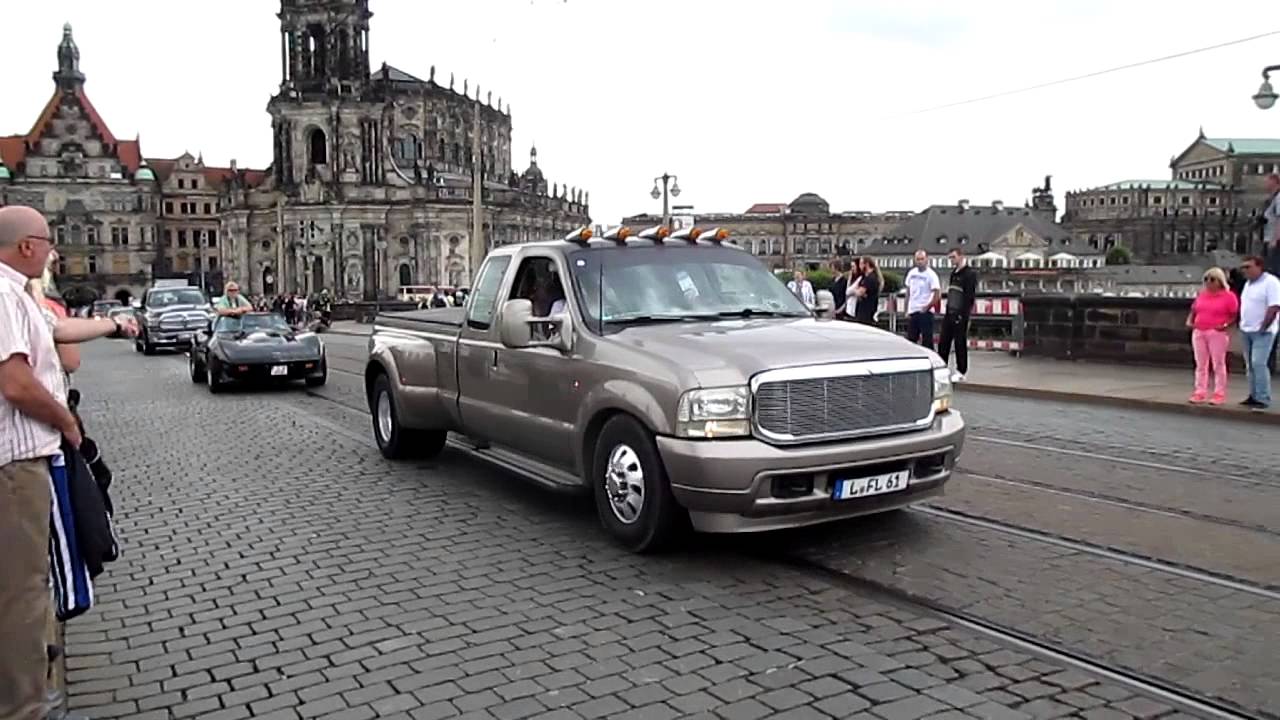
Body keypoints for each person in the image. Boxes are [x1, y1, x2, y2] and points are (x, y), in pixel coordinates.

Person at [0, 206, 83, 720]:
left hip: (17, 463)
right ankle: (27, 709)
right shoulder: (5, 295)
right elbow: (15, 382)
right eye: (49, 242)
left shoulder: (16, 295)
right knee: (22, 594)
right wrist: (66, 422)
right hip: (13, 467)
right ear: (27, 246)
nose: (54, 251)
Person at [1185, 267, 1238, 405]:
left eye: (1212, 279)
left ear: (1220, 281)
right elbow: (1194, 310)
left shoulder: (1229, 296)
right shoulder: (1202, 295)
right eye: (1206, 279)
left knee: (1218, 364)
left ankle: (1219, 393)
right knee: (1200, 364)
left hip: (1216, 332)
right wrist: (1190, 321)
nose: (1209, 282)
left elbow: (1234, 314)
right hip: (1199, 331)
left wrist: (1225, 325)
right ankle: (1199, 392)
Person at [1238, 256, 1280, 410]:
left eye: (1248, 267)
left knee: (1259, 363)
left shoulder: (1271, 282)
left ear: (1259, 267)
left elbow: (1274, 306)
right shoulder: (1248, 284)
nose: (1245, 271)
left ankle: (1262, 397)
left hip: (1263, 331)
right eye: (1243, 268)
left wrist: (1264, 327)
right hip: (1246, 329)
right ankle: (1253, 395)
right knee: (1250, 365)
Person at [938, 248, 978, 381]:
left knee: (959, 342)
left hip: (960, 313)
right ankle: (942, 367)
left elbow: (969, 297)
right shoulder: (953, 274)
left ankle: (961, 370)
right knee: (944, 341)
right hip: (950, 311)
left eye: (953, 257)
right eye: (950, 258)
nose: (952, 260)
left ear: (961, 257)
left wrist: (963, 314)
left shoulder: (969, 274)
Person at [904, 250, 941, 350]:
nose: (920, 261)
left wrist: (928, 306)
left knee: (927, 340)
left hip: (925, 311)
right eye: (918, 259)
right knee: (911, 339)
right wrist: (906, 309)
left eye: (922, 259)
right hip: (913, 310)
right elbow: (908, 292)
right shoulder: (911, 273)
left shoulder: (931, 275)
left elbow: (937, 293)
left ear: (926, 260)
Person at [853, 256, 882, 325]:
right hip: (861, 310)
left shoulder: (871, 278)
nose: (859, 266)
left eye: (861, 264)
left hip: (867, 311)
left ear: (866, 264)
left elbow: (859, 292)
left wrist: (856, 291)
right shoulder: (864, 277)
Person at [1263, 174, 1280, 277]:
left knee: (1274, 269)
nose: (1266, 185)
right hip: (1268, 237)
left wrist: (1275, 239)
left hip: (1275, 240)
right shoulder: (1272, 198)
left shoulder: (1279, 197)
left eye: (1267, 182)